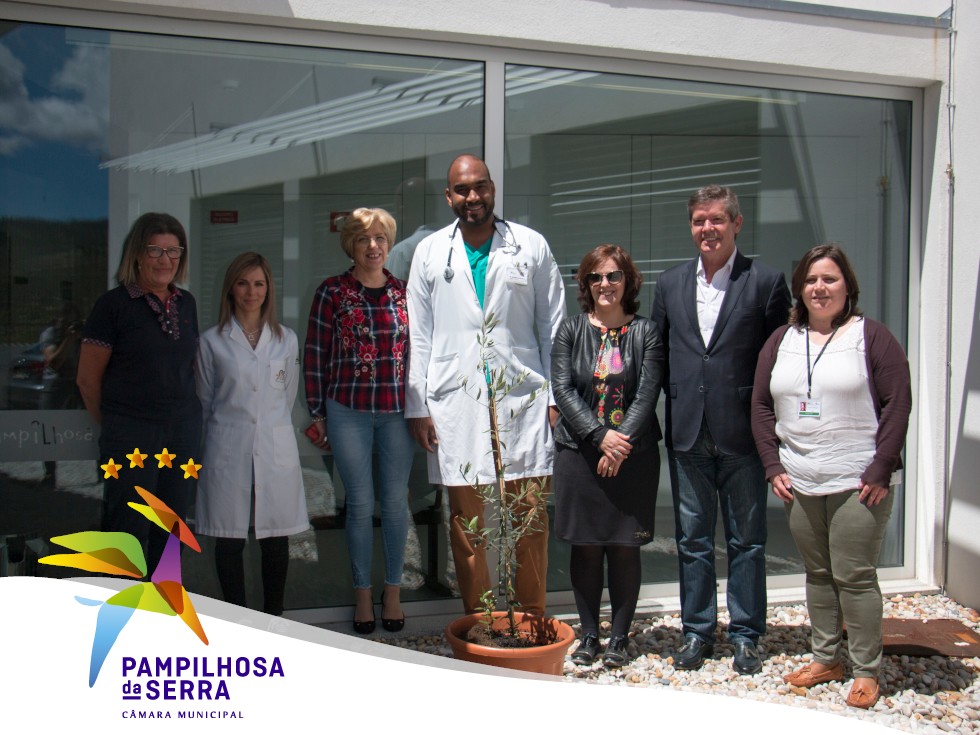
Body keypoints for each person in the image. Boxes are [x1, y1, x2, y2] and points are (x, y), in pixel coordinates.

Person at [406, 154, 566, 617]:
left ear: (493, 188)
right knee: (467, 520)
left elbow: (553, 326)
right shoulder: (430, 252)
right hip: (455, 400)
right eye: (462, 189)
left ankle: (530, 617)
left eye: (480, 186)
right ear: (448, 196)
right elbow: (419, 333)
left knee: (529, 514)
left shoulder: (530, 246)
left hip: (524, 396)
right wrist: (418, 405)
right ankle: (480, 620)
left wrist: (555, 396)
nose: (472, 196)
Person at [751, 243, 911, 709]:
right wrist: (772, 465)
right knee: (819, 574)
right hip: (799, 480)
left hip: (858, 482)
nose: (819, 288)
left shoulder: (871, 336)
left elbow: (897, 403)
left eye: (829, 279)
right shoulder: (781, 340)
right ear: (799, 288)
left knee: (854, 576)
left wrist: (881, 468)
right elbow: (760, 405)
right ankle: (826, 659)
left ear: (847, 286)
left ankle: (865, 670)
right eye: (811, 280)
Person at [650, 185, 790, 675]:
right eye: (699, 221)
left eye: (716, 220)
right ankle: (697, 631)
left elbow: (778, 358)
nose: (707, 229)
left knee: (747, 540)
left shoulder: (766, 281)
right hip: (688, 430)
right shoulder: (670, 283)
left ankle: (747, 635)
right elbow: (658, 355)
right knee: (692, 539)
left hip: (743, 432)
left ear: (736, 223)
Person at [551, 245, 664, 667]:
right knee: (585, 547)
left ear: (627, 281)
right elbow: (562, 389)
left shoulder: (646, 332)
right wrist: (600, 437)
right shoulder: (570, 330)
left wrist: (619, 444)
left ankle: (618, 637)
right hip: (579, 453)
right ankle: (588, 635)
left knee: (623, 547)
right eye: (596, 277)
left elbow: (647, 393)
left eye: (614, 275)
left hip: (632, 456)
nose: (605, 284)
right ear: (586, 284)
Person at [304, 207, 414, 635]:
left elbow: (420, 354)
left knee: (396, 502)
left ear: (389, 244)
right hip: (347, 410)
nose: (373, 246)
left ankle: (393, 591)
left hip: (397, 413)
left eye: (380, 238)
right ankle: (363, 593)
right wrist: (317, 412)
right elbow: (315, 354)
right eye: (364, 239)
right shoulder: (332, 292)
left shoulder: (404, 293)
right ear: (350, 245)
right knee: (360, 504)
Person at [76, 212, 202, 570]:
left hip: (182, 434)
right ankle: (121, 604)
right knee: (126, 530)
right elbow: (87, 380)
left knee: (173, 530)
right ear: (137, 254)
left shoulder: (186, 303)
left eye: (173, 251)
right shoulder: (112, 305)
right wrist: (118, 425)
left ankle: (164, 601)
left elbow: (187, 368)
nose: (165, 260)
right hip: (131, 435)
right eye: (154, 250)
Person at [195, 252, 308, 616]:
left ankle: (273, 619)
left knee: (275, 538)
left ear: (268, 289)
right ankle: (237, 620)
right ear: (230, 288)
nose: (251, 292)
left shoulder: (286, 339)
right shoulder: (211, 341)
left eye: (259, 284)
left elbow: (286, 395)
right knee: (229, 540)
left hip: (273, 448)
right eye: (243, 283)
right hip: (227, 447)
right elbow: (205, 398)